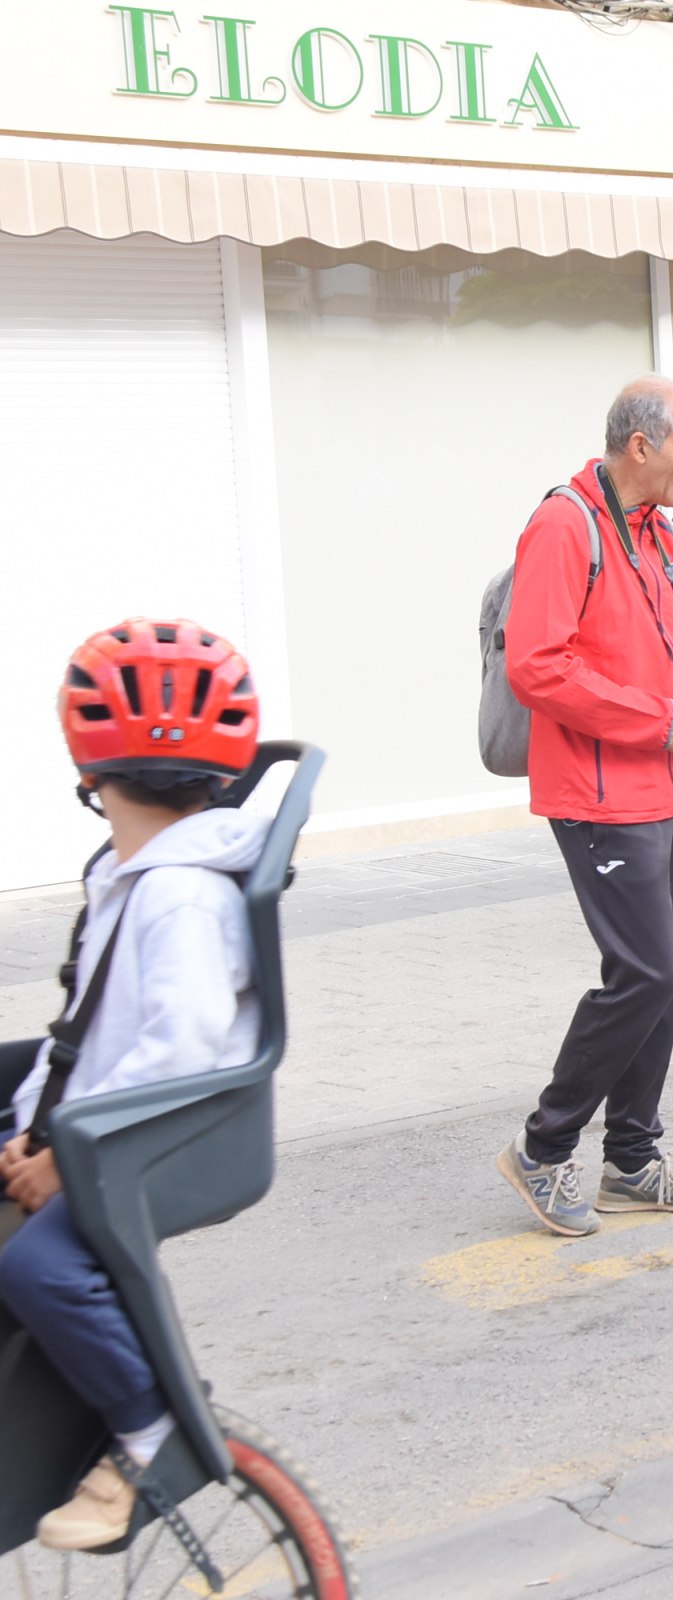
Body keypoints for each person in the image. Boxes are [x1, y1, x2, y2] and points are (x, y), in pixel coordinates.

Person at [0, 618, 273, 1548]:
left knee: (39, 1263)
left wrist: (63, 1161)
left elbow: (181, 1046)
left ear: (87, 770)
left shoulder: (176, 892)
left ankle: (148, 1431)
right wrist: (39, 1118)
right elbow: (87, 1030)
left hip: (156, 1139)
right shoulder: (138, 871)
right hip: (111, 1118)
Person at [499, 375, 673, 1239]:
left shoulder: (662, 539)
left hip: (665, 786)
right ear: (641, 446)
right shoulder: (564, 525)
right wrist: (652, 725)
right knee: (648, 973)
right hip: (598, 793)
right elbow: (537, 666)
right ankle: (542, 1148)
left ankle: (632, 1159)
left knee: (663, 982)